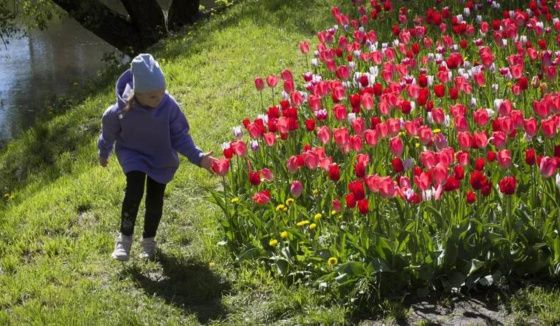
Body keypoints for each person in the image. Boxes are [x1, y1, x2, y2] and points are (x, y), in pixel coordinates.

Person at [97, 53, 216, 261]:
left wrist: (199, 157)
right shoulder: (120, 110)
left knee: (155, 199)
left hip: (160, 156)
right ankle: (124, 240)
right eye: (152, 96)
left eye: (161, 93)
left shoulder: (168, 106)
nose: (158, 99)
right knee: (134, 189)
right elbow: (108, 132)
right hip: (133, 153)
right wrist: (103, 151)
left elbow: (180, 136)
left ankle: (148, 242)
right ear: (137, 94)